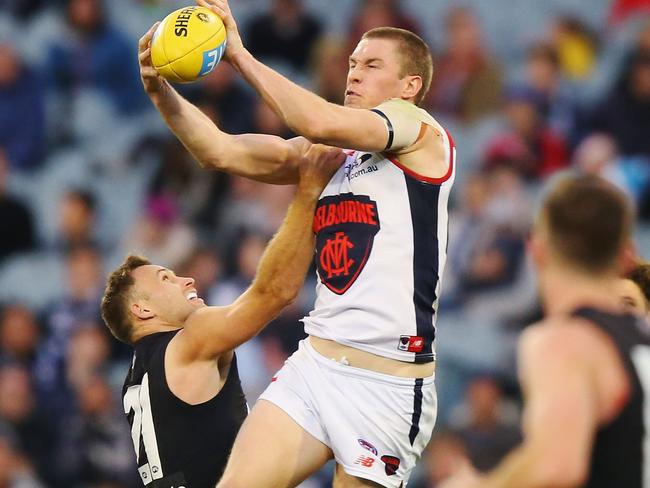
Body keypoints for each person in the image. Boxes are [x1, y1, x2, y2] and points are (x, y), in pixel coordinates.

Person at [139, 0, 454, 484]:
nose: (354, 74)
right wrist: (161, 93)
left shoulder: (419, 129)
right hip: (318, 363)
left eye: (372, 65)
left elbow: (320, 121)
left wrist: (238, 55)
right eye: (352, 63)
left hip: (387, 379)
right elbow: (220, 150)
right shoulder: (330, 155)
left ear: (410, 86)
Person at [100, 144, 344, 488]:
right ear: (143, 310)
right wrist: (308, 192)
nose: (186, 278)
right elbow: (277, 293)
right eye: (165, 278)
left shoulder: (134, 380)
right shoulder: (190, 340)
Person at [441, 175, 650, 488]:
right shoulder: (641, 334)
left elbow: (556, 466)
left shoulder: (564, 341)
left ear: (537, 249)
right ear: (626, 255)